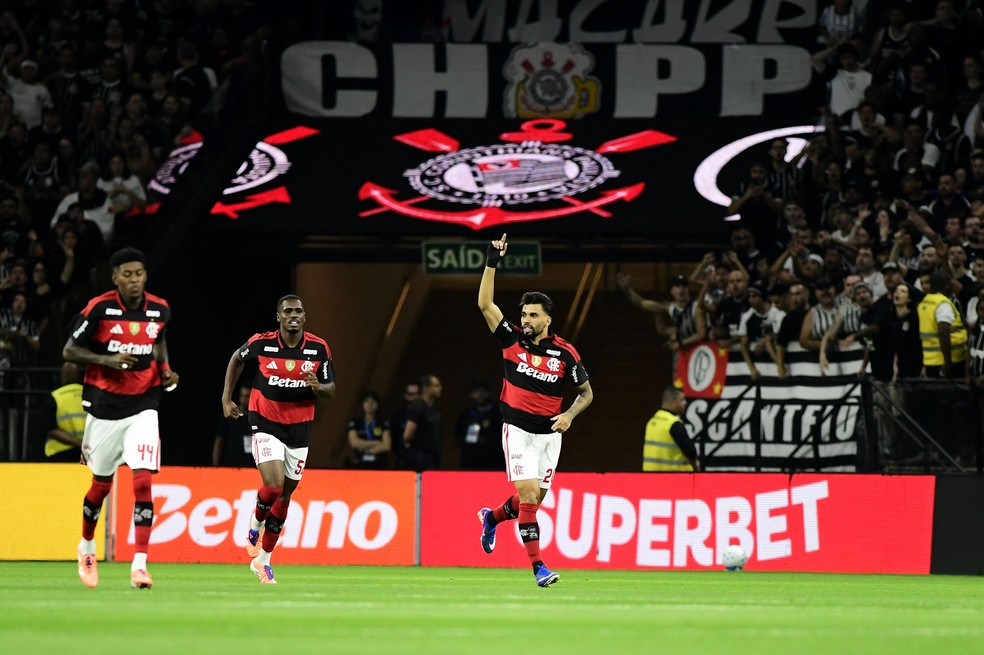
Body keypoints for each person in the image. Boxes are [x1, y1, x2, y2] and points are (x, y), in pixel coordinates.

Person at [476, 232, 594, 588]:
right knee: (528, 497)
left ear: (547, 320)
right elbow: (484, 304)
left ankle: (492, 518)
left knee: (531, 503)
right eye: (523, 313)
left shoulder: (566, 353)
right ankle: (539, 568)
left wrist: (570, 414)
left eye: (532, 315)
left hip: (549, 436)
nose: (524, 318)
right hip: (519, 432)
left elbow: (587, 393)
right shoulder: (511, 338)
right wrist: (491, 261)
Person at [65, 247, 179, 590]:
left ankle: (140, 565)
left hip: (144, 404)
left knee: (143, 481)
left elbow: (158, 340)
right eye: (127, 275)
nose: (134, 280)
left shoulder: (160, 309)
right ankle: (86, 546)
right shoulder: (99, 308)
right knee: (100, 487)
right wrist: (108, 360)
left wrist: (165, 369)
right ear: (115, 278)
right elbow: (69, 351)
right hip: (103, 408)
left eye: (139, 274)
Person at [221, 294, 335, 585]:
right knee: (272, 486)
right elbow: (237, 358)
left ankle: (263, 561)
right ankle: (255, 523)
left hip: (299, 429)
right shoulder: (262, 343)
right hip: (265, 421)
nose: (293, 315)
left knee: (285, 497)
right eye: (288, 311)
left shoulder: (318, 348)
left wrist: (318, 387)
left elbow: (331, 388)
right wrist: (226, 398)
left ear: (304, 317)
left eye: (298, 311)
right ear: (279, 317)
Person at [643, 387, 701, 472]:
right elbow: (690, 452)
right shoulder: (674, 424)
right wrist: (696, 466)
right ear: (671, 402)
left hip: (650, 477)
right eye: (681, 400)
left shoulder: (652, 422)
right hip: (674, 478)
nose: (685, 403)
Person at [455, 379, 504, 470]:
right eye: (477, 391)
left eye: (483, 391)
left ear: (489, 393)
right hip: (470, 461)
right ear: (471, 394)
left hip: (494, 462)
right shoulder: (465, 415)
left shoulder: (499, 413)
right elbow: (458, 436)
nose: (480, 394)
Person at [42, 361, 84, 462]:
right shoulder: (90, 394)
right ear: (78, 376)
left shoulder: (54, 397)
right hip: (88, 452)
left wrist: (77, 442)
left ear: (62, 376)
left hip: (60, 453)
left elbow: (51, 429)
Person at [402, 373, 443, 471]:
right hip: (420, 458)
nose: (440, 388)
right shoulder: (418, 408)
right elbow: (407, 435)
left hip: (433, 458)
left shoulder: (433, 410)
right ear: (426, 388)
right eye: (436, 386)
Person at [346, 390, 391, 469]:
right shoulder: (355, 423)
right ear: (362, 404)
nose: (370, 405)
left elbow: (387, 445)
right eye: (367, 402)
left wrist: (369, 451)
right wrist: (376, 443)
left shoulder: (383, 423)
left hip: (379, 463)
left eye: (373, 402)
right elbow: (354, 442)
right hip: (360, 463)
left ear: (378, 405)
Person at [212, 384, 253, 467]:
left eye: (247, 396)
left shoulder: (259, 418)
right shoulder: (230, 414)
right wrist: (215, 464)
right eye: (242, 396)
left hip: (254, 465)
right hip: (232, 465)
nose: (244, 399)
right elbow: (219, 440)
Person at [388, 380, 419, 469]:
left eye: (417, 394)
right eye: (411, 394)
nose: (414, 398)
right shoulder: (398, 417)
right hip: (403, 460)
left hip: (423, 462)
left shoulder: (430, 416)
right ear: (405, 396)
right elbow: (393, 439)